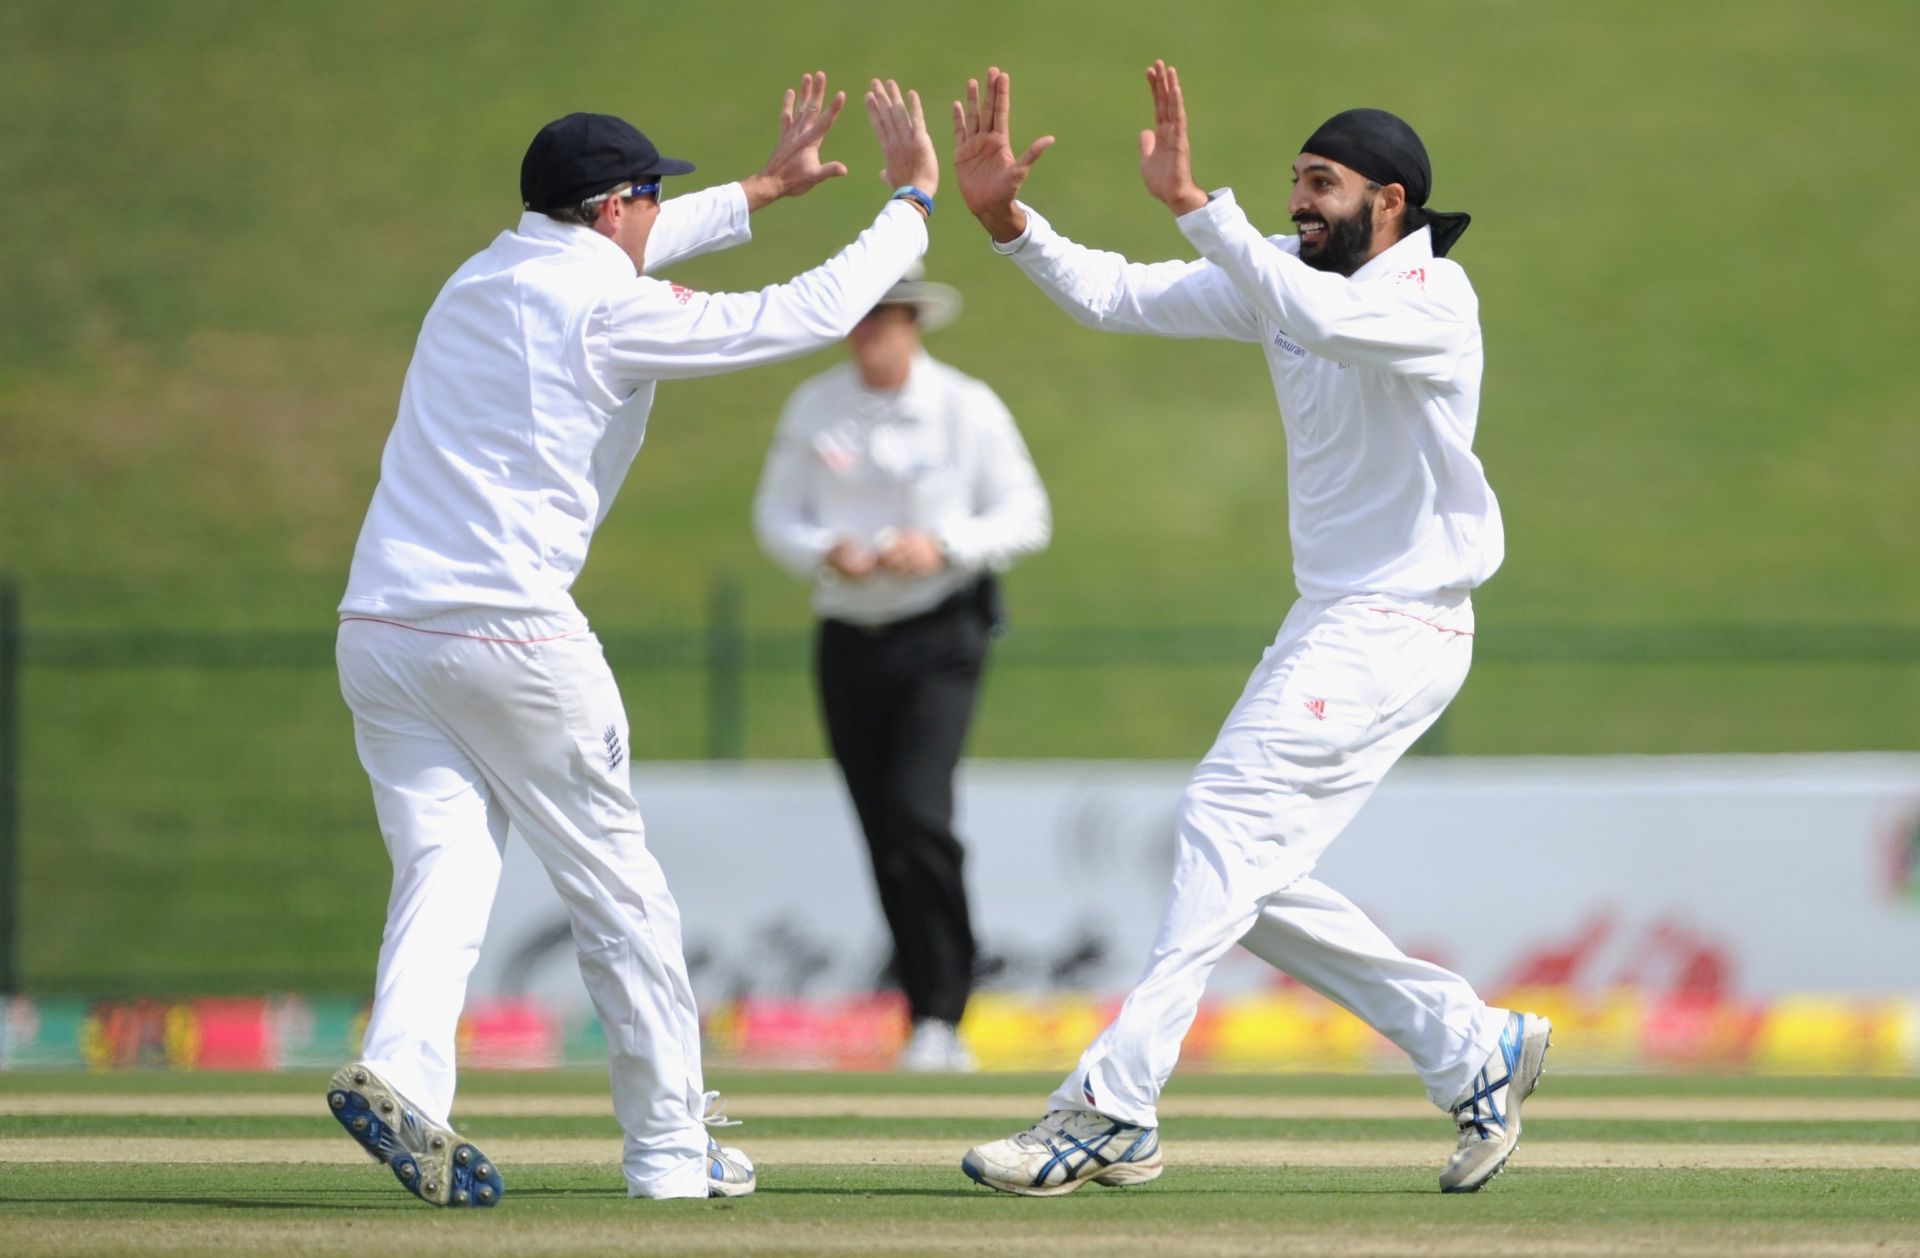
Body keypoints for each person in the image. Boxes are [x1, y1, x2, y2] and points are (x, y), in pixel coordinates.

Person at [327, 73, 941, 1206]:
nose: (660, 215)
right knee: (622, 896)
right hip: (509, 634)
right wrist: (910, 205)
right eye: (653, 198)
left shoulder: (478, 278)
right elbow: (802, 314)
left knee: (445, 869)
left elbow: (625, 248)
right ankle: (668, 1148)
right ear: (614, 207)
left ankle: (404, 1069)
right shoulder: (606, 308)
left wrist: (761, 190)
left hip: (379, 633)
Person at [949, 63, 1550, 1196]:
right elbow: (1117, 295)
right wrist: (1008, 223)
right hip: (1337, 618)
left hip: (1398, 621)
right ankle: (1473, 1045)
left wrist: (1196, 205)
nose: (1297, 205)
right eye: (1292, 183)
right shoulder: (1280, 270)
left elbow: (1326, 316)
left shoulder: (1431, 300)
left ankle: (1111, 1106)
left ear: (1393, 203)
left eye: (1321, 184)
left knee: (1221, 816)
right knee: (1246, 873)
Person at [751, 264, 1051, 1072]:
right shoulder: (814, 407)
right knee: (881, 827)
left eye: (885, 316)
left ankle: (945, 1009)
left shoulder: (966, 405)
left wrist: (945, 546)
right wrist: (826, 553)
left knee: (920, 814)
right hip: (849, 632)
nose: (870, 332)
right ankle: (922, 1012)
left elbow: (1027, 514)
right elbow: (776, 514)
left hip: (941, 629)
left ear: (914, 320)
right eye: (858, 318)